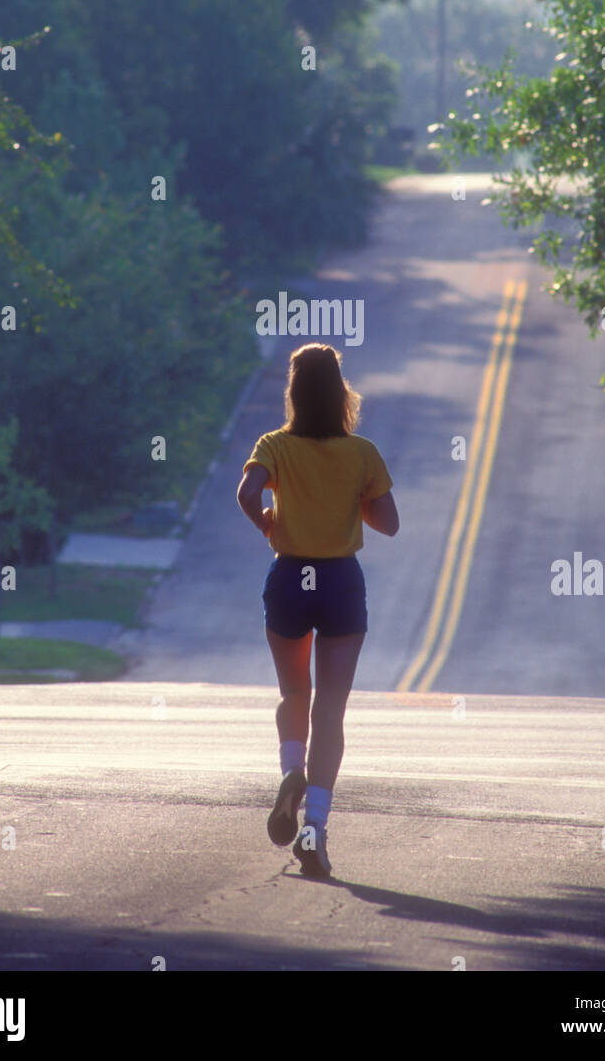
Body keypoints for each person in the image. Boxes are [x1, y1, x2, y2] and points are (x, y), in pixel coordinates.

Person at [237, 342, 399, 878]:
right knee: (330, 708)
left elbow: (247, 492)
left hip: (289, 577)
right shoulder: (363, 453)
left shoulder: (274, 445)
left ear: (294, 392)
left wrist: (268, 522)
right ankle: (315, 828)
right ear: (340, 393)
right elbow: (389, 522)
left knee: (293, 694)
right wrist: (349, 499)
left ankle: (290, 770)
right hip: (338, 582)